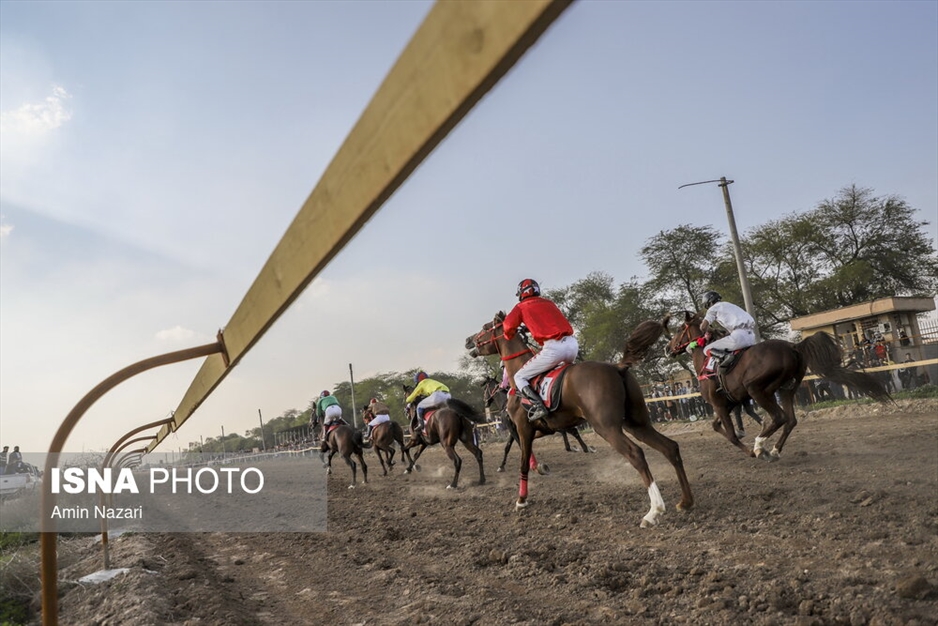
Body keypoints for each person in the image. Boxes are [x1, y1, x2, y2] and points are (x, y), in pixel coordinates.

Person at [503, 278, 579, 422]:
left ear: (521, 293)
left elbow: (507, 327)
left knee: (519, 377)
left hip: (553, 349)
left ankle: (539, 406)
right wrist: (528, 327)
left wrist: (509, 335)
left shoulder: (521, 306)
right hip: (572, 345)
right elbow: (549, 322)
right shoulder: (549, 303)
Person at [694, 291, 758, 370]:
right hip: (751, 336)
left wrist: (703, 327)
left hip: (739, 337)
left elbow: (703, 327)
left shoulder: (713, 309)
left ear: (709, 303)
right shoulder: (730, 305)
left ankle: (725, 356)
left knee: (706, 349)